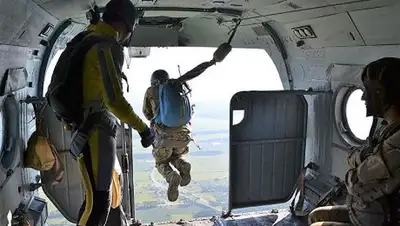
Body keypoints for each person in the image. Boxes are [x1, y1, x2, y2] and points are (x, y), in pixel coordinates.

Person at [68, 0, 155, 225]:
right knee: (99, 204)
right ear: (127, 25)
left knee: (93, 200)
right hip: (96, 131)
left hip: (83, 128)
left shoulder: (87, 37)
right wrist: (144, 129)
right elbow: (114, 100)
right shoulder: (106, 46)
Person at [308, 57, 400, 226]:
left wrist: (356, 165)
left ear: (381, 93)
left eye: (368, 90)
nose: (363, 97)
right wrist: (360, 160)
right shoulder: (387, 129)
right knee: (316, 216)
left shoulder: (396, 143)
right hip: (367, 213)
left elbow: (356, 184)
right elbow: (360, 158)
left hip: (381, 220)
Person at [142, 69, 192, 202]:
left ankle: (172, 176)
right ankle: (183, 165)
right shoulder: (177, 87)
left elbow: (147, 114)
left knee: (161, 162)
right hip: (184, 136)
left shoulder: (151, 91)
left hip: (164, 138)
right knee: (177, 155)